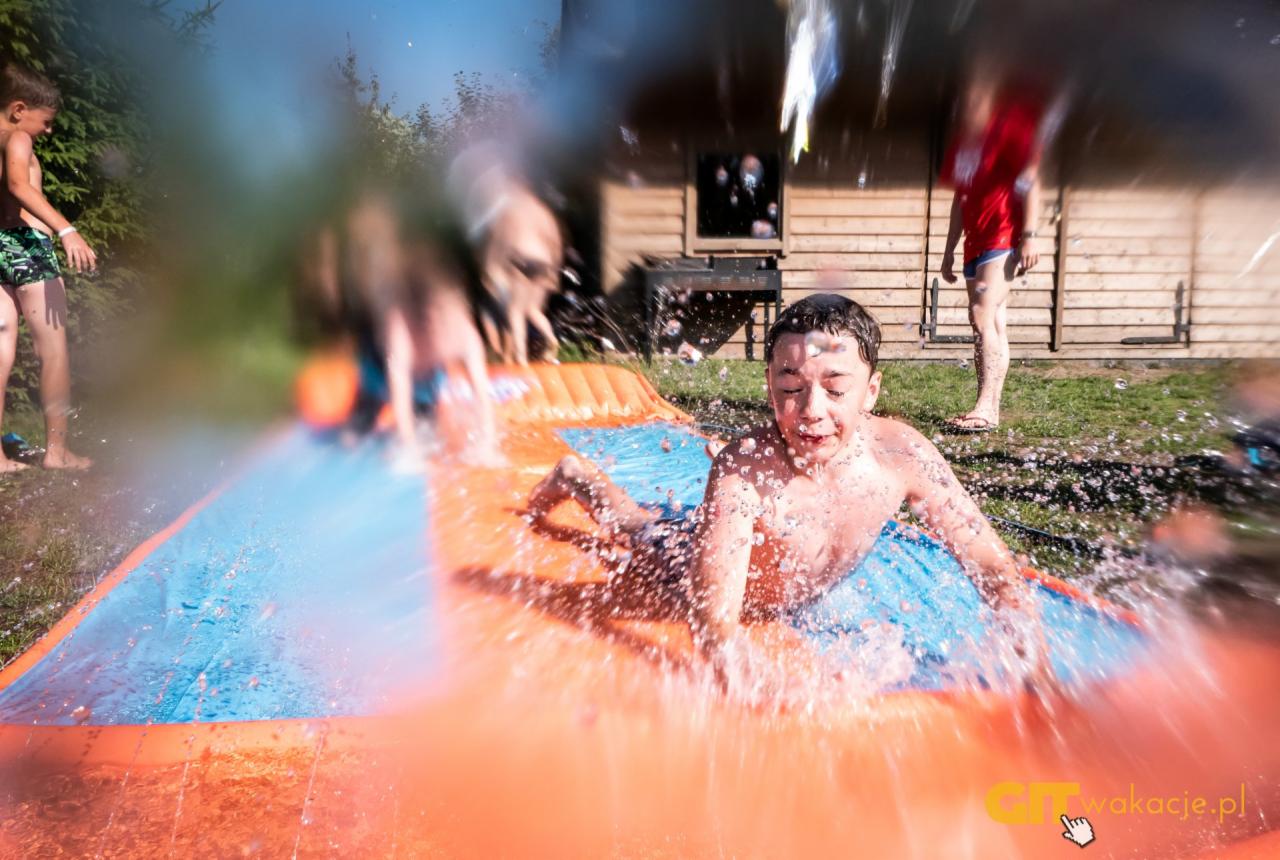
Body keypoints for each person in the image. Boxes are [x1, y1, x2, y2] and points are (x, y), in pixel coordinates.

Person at [529, 294, 1054, 693]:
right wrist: (763, 690)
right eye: (791, 388)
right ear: (769, 388)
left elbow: (991, 567)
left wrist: (1034, 664)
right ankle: (578, 477)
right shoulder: (745, 469)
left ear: (871, 390)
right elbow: (714, 622)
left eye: (836, 387)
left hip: (791, 595)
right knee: (637, 532)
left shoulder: (902, 456)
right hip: (690, 565)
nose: (812, 410)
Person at [335, 194, 498, 462]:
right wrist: (407, 448)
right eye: (429, 314)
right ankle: (359, 424)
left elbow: (482, 394)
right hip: (379, 372)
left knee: (429, 436)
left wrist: (488, 443)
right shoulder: (401, 329)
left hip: (425, 381)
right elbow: (398, 393)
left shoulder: (463, 334)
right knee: (355, 435)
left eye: (438, 313)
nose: (433, 319)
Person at [0, 63, 96, 472]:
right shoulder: (17, 136)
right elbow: (19, 186)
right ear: (19, 108)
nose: (49, 131)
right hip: (27, 247)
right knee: (53, 352)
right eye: (47, 121)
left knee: (1, 350)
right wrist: (66, 229)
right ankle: (57, 452)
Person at [938, 62, 1043, 432]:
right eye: (965, 99)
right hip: (974, 244)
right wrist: (950, 250)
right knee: (992, 320)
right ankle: (987, 409)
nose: (968, 104)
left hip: (1004, 238)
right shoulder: (961, 147)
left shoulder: (1009, 132)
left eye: (976, 97)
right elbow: (960, 200)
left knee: (982, 316)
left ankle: (985, 408)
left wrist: (1029, 235)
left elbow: (1030, 182)